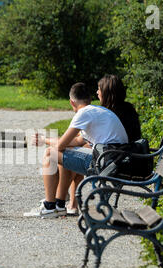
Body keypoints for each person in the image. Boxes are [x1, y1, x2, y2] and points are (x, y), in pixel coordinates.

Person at [25, 82, 129, 218]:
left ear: (72, 102)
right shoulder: (98, 111)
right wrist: (45, 140)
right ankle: (60, 204)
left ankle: (49, 206)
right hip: (114, 159)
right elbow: (76, 142)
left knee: (50, 153)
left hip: (106, 163)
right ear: (90, 100)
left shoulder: (83, 113)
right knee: (68, 150)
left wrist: (45, 141)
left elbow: (61, 145)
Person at [62, 75, 142, 214]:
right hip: (124, 156)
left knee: (70, 151)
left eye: (99, 89)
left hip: (115, 159)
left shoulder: (109, 113)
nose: (97, 92)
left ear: (106, 92)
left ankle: (64, 201)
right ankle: (69, 202)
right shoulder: (127, 109)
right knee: (75, 149)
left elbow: (92, 140)